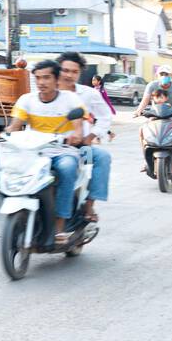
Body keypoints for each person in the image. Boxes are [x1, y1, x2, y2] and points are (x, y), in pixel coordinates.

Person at [0, 58, 87, 245]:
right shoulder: (27, 100)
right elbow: (14, 128)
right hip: (33, 152)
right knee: (10, 171)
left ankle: (60, 223)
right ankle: (24, 216)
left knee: (67, 169)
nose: (41, 82)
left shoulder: (70, 100)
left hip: (62, 150)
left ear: (57, 79)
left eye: (47, 77)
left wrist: (76, 135)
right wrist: (1, 134)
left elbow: (78, 129)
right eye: (38, 78)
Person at [56, 53, 111, 224]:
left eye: (74, 71)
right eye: (65, 70)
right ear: (58, 71)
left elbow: (105, 116)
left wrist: (90, 136)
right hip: (48, 147)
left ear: (79, 73)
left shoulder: (88, 93)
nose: (69, 75)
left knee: (102, 157)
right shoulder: (47, 92)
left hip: (80, 147)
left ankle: (89, 204)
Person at [134, 65, 172, 163]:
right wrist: (138, 111)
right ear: (157, 75)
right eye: (161, 74)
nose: (164, 76)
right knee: (142, 130)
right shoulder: (152, 85)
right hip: (155, 116)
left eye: (166, 74)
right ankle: (146, 160)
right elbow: (145, 100)